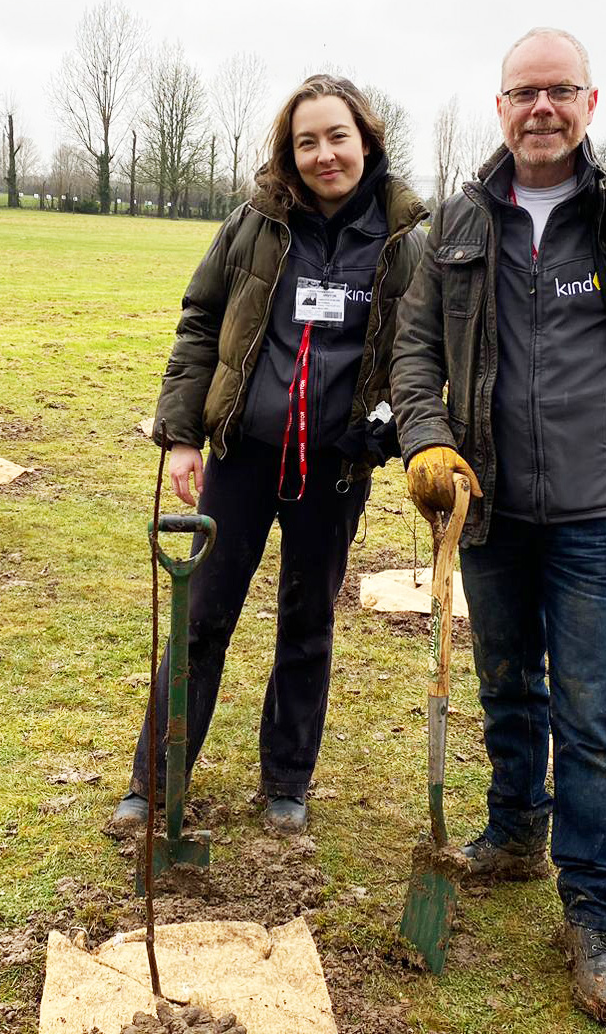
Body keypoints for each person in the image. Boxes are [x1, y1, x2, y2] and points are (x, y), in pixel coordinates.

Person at [390, 28, 606, 1024]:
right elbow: (416, 346)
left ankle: (593, 915)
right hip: (485, 504)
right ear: (499, 109)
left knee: (589, 717)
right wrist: (425, 441)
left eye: (559, 91)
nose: (540, 108)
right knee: (507, 684)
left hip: (594, 516)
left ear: (591, 102)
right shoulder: (457, 221)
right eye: (522, 93)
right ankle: (512, 832)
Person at [111, 74, 428, 836]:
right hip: (244, 457)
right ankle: (153, 783)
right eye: (306, 141)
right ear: (289, 153)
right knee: (202, 617)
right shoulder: (252, 226)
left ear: (367, 142)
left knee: (307, 621)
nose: (324, 155)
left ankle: (287, 779)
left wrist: (383, 428)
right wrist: (184, 434)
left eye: (337, 138)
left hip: (334, 470)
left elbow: (422, 351)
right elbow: (201, 322)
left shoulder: (406, 243)